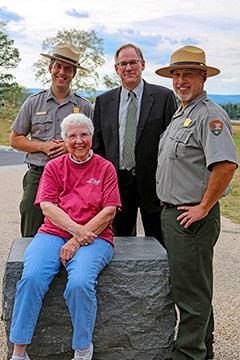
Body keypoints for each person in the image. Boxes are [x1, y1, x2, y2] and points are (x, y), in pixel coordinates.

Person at [9, 113, 121, 360]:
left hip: (96, 236)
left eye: (84, 135)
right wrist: (75, 231)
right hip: (54, 232)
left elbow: (109, 211)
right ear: (64, 139)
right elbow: (47, 206)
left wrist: (78, 238)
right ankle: (19, 352)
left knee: (80, 283)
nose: (79, 140)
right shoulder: (53, 167)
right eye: (72, 136)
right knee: (32, 278)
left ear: (92, 137)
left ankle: (82, 349)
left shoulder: (105, 168)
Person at [155, 45, 238, 360]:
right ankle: (205, 348)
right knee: (193, 288)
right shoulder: (183, 112)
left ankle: (189, 354)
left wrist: (203, 207)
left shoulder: (209, 115)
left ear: (204, 76)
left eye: (188, 73)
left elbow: (226, 165)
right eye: (176, 74)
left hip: (191, 218)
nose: (181, 80)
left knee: (190, 294)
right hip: (174, 214)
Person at [92, 43, 177, 246]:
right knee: (120, 242)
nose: (128, 68)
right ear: (116, 69)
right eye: (123, 64)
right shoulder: (103, 101)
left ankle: (160, 279)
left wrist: (168, 185)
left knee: (158, 242)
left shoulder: (163, 97)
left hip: (153, 183)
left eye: (133, 62)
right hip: (117, 183)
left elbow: (171, 146)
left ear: (143, 64)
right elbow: (98, 146)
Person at [9, 43, 93, 237]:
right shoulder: (33, 102)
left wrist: (72, 146)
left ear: (74, 74)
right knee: (31, 229)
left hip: (73, 178)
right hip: (38, 175)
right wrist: (42, 146)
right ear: (50, 68)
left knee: (71, 231)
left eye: (68, 69)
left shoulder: (84, 106)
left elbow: (94, 143)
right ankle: (30, 266)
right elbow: (15, 139)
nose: (62, 72)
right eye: (58, 66)